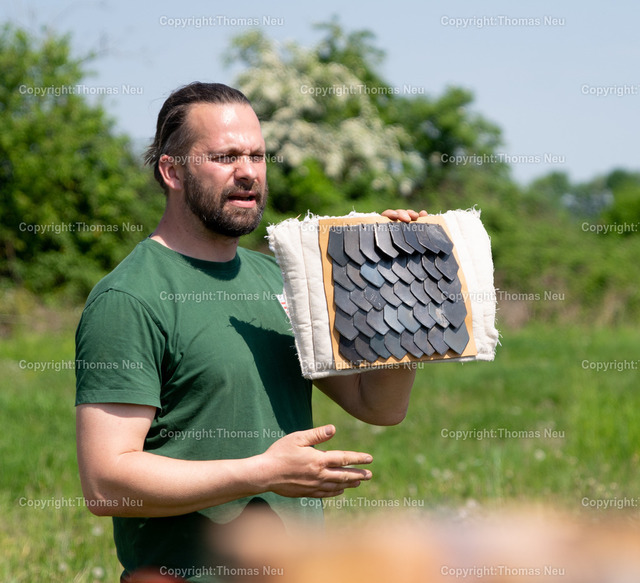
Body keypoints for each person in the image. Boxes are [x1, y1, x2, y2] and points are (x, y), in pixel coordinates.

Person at [75, 82, 426, 582]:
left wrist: (399, 295)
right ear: (172, 171)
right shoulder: (130, 298)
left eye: (257, 156)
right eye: (225, 156)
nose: (248, 172)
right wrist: (262, 473)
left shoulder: (281, 281)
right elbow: (106, 484)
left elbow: (379, 405)